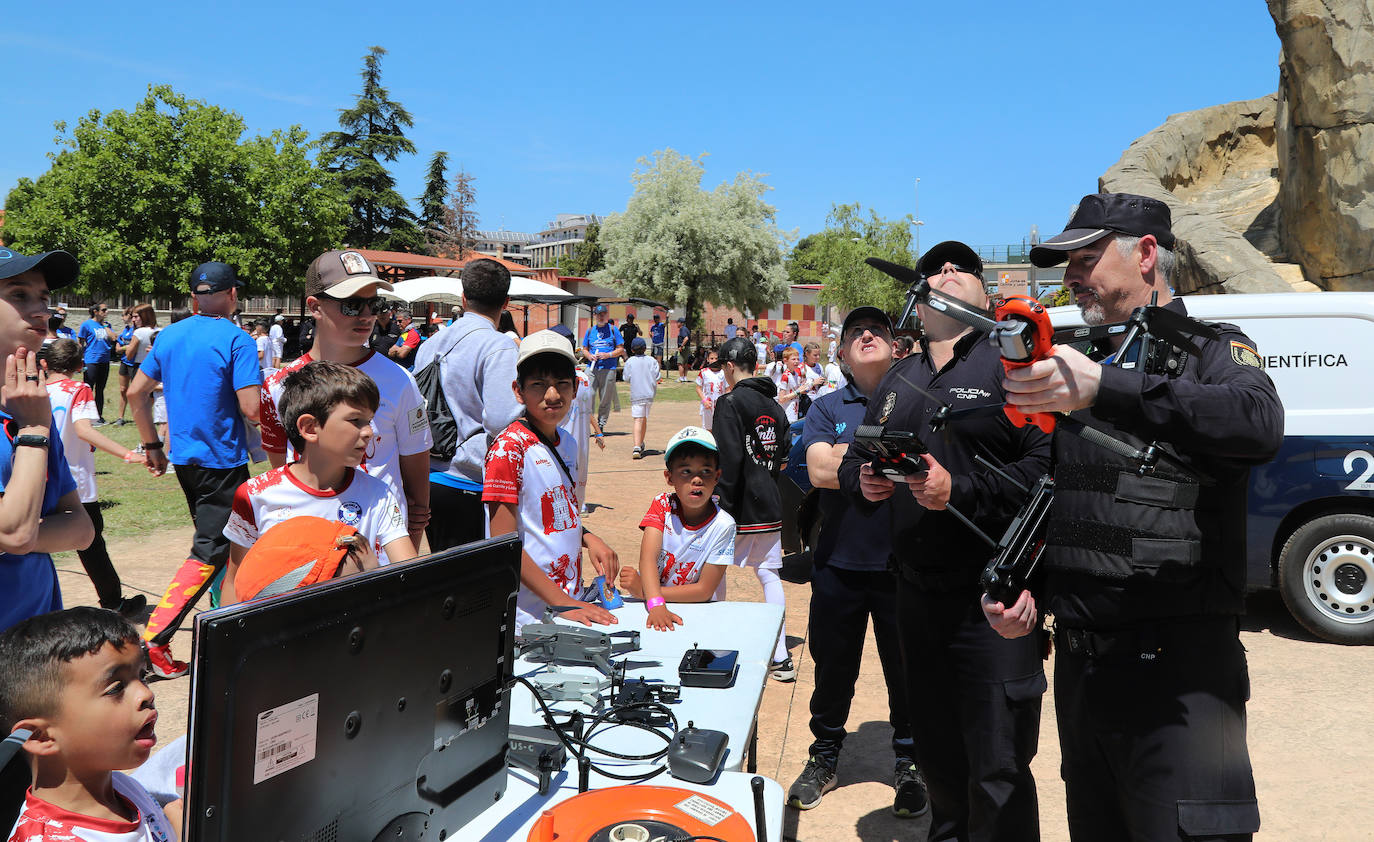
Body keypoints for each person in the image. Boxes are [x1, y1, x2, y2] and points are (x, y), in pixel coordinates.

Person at [988, 193, 1282, 841]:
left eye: (1087, 258)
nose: (1071, 277)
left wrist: (1107, 388)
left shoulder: (1212, 347)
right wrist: (1031, 593)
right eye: (1066, 264)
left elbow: (1259, 423)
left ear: (1146, 254)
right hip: (1085, 677)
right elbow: (1074, 499)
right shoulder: (1086, 365)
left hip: (1179, 682)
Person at [841, 240, 1052, 841]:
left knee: (999, 765)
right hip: (915, 600)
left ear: (985, 293)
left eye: (965, 267)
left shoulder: (1014, 366)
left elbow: (1046, 471)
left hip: (993, 600)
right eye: (936, 267)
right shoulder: (899, 377)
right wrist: (867, 481)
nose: (950, 271)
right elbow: (861, 455)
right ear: (919, 295)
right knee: (937, 757)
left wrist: (955, 488)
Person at [788, 306, 922, 818]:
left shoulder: (915, 402)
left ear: (897, 348)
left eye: (878, 331)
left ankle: (910, 764)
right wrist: (883, 455)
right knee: (832, 669)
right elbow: (819, 467)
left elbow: (927, 461)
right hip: (838, 566)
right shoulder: (825, 405)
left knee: (905, 672)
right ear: (841, 352)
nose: (867, 335)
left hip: (902, 567)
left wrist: (849, 451)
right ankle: (824, 758)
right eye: (854, 332)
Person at [127, 261, 261, 679]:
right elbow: (251, 409)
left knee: (225, 547)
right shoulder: (237, 339)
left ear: (192, 298)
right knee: (212, 550)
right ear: (233, 295)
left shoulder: (169, 335)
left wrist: (152, 445)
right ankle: (154, 642)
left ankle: (222, 628)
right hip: (223, 462)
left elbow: (135, 392)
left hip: (185, 460)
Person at [259, 250, 432, 554]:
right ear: (315, 306)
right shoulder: (277, 386)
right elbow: (281, 469)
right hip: (306, 551)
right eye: (352, 305)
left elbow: (417, 487)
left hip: (382, 555)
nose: (367, 315)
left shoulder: (400, 380)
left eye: (374, 303)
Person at [222, 361, 417, 605]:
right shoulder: (256, 495)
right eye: (355, 420)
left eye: (369, 420)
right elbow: (235, 580)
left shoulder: (378, 494)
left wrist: (371, 569)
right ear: (310, 428)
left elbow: (410, 578)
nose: (369, 431)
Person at [0, 607, 178, 841]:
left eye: (142, 675)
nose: (146, 693)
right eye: (115, 688)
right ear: (41, 737)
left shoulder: (123, 788)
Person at [484, 331, 620, 629]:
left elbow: (553, 512)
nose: (552, 395)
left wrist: (588, 537)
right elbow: (503, 543)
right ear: (518, 391)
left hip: (567, 603)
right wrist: (562, 601)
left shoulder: (567, 443)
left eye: (562, 384)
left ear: (575, 388)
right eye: (538, 385)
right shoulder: (509, 449)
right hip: (527, 614)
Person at [0, 250, 94, 633]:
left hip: (35, 647)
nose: (41, 310)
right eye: (20, 295)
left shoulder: (31, 407)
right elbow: (15, 532)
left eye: (42, 297)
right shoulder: (35, 420)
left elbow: (82, 529)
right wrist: (36, 432)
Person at [415, 258, 522, 550]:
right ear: (506, 302)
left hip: (429, 476)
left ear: (463, 298)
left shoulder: (430, 344)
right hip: (470, 479)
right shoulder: (497, 345)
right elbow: (502, 420)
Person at [41, 339, 147, 619]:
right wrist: (127, 454)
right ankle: (114, 604)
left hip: (37, 481)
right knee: (91, 542)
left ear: (44, 364)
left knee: (36, 541)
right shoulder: (79, 389)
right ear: (80, 365)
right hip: (74, 482)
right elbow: (84, 430)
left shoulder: (35, 391)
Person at [713, 337, 793, 680]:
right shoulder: (774, 407)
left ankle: (716, 651)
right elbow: (784, 457)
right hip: (769, 501)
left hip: (737, 503)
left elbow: (728, 459)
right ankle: (781, 656)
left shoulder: (729, 402)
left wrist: (719, 507)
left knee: (714, 571)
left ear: (730, 366)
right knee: (768, 574)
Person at [616, 426, 735, 631]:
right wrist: (656, 603)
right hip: (657, 607)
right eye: (686, 471)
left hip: (700, 612)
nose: (696, 479)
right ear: (669, 478)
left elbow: (704, 590)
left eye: (705, 471)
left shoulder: (724, 525)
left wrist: (647, 593)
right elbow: (648, 559)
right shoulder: (662, 504)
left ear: (717, 476)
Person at [550, 325, 601, 510]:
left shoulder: (568, 380)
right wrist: (598, 432)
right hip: (576, 442)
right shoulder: (582, 378)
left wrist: (598, 432)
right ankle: (578, 504)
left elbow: (585, 411)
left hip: (562, 439)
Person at [582, 304, 624, 434]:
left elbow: (620, 349)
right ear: (595, 316)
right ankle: (588, 423)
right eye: (599, 314)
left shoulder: (613, 329)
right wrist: (590, 356)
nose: (601, 316)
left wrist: (608, 355)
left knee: (605, 398)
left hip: (608, 369)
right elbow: (584, 349)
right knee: (589, 396)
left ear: (606, 315)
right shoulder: (590, 331)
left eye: (603, 314)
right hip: (592, 369)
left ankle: (600, 424)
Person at [622, 336, 660, 459]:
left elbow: (626, 378)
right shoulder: (652, 360)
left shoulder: (630, 361)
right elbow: (657, 376)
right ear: (645, 348)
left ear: (632, 350)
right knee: (643, 419)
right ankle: (640, 443)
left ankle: (637, 446)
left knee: (638, 419)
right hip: (649, 394)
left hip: (636, 394)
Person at [76, 303, 114, 424]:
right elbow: (80, 342)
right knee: (88, 388)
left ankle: (99, 416)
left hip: (104, 360)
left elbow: (113, 338)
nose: (106, 312)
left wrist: (105, 327)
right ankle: (86, 416)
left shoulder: (107, 325)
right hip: (91, 360)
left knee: (100, 389)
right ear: (95, 312)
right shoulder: (87, 325)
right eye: (104, 310)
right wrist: (79, 359)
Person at [766, 345, 805, 423]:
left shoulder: (797, 374)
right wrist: (797, 392)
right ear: (785, 361)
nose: (796, 361)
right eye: (793, 359)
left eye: (798, 359)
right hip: (786, 413)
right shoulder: (786, 376)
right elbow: (781, 399)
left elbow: (798, 390)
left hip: (794, 411)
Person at [112, 308, 136, 426]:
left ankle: (139, 417)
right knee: (123, 390)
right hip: (124, 362)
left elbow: (133, 346)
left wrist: (123, 347)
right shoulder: (125, 330)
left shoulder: (136, 330)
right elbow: (118, 347)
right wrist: (124, 347)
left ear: (130, 316)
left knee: (136, 392)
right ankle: (120, 418)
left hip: (134, 363)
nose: (122, 318)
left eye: (123, 315)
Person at [694, 348, 726, 432]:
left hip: (720, 405)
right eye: (711, 358)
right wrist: (704, 400)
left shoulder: (724, 372)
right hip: (708, 405)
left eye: (716, 358)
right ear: (707, 359)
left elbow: (728, 388)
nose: (714, 360)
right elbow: (698, 388)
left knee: (720, 428)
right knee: (708, 429)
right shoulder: (704, 372)